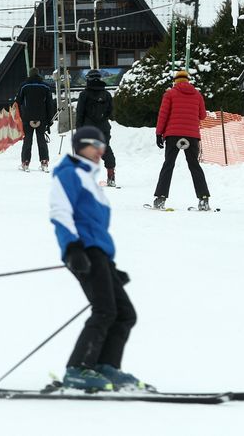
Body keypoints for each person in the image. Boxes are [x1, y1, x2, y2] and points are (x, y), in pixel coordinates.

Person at [50, 126, 150, 392]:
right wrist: (72, 249)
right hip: (83, 251)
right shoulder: (69, 174)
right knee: (105, 310)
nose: (100, 150)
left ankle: (106, 367)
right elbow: (60, 213)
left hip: (99, 254)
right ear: (81, 145)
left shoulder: (92, 181)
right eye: (95, 144)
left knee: (124, 314)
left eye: (102, 145)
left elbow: (97, 227)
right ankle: (78, 369)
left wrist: (111, 267)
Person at [152, 70, 210, 210]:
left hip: (173, 135)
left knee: (168, 165)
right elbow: (202, 116)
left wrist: (159, 133)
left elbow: (163, 115)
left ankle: (161, 198)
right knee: (194, 165)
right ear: (188, 80)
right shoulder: (197, 95)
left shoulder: (170, 94)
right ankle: (204, 199)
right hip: (192, 136)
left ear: (175, 81)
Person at [76, 69, 116, 186]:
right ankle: (111, 175)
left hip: (88, 128)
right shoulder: (107, 94)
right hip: (104, 127)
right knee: (105, 149)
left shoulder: (84, 95)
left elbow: (80, 113)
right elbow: (110, 112)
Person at [16, 68, 55, 172]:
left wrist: (22, 115)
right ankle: (44, 162)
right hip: (42, 118)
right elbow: (50, 104)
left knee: (28, 139)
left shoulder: (24, 86)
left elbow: (18, 101)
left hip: (27, 117)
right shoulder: (45, 86)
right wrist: (49, 119)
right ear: (38, 75)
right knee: (41, 139)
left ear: (29, 75)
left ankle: (25, 162)